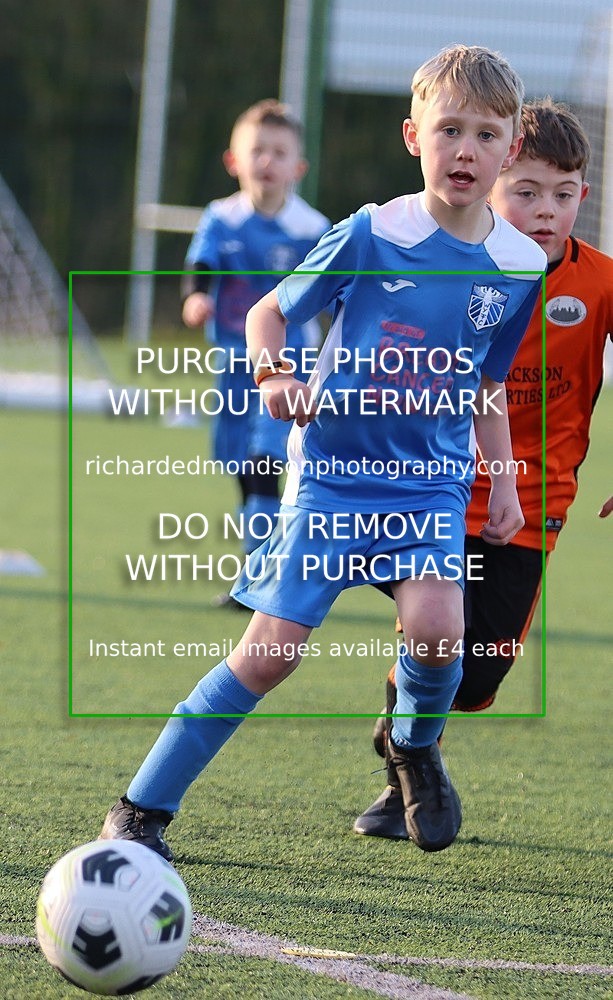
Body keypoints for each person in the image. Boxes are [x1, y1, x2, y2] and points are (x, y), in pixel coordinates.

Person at [100, 44, 546, 861]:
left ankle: (412, 748)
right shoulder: (371, 232)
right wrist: (274, 373)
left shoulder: (519, 265)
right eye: (448, 130)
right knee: (268, 656)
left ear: (510, 149)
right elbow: (268, 314)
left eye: (486, 135)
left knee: (439, 628)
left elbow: (486, 380)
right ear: (414, 137)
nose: (466, 150)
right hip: (334, 478)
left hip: (428, 482)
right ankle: (141, 808)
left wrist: (505, 479)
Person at [354, 97, 613, 841]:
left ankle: (403, 727)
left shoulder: (597, 282)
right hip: (434, 488)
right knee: (434, 628)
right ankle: (410, 767)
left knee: (477, 676)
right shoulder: (456, 267)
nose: (543, 210)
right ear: (494, 177)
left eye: (561, 196)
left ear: (582, 199)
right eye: (526, 191)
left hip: (533, 508)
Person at [181, 99, 330, 601]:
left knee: (266, 459)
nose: (267, 161)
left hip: (289, 363)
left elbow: (330, 295)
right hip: (231, 361)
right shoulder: (220, 218)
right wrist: (196, 297)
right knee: (241, 461)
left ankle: (260, 580)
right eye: (257, 150)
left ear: (298, 168)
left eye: (279, 152)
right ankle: (263, 567)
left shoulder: (312, 229)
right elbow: (200, 267)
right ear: (233, 161)